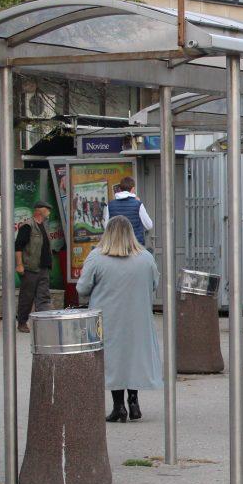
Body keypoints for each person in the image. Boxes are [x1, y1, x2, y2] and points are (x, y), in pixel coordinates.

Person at [76, 216, 163, 423]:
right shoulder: (145, 258)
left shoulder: (96, 257)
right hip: (138, 317)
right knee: (134, 357)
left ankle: (118, 406)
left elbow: (82, 288)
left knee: (113, 359)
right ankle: (133, 401)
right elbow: (154, 284)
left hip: (107, 317)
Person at [14, 200, 54, 333]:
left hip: (43, 268)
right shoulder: (28, 226)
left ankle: (44, 323)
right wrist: (19, 265)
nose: (49, 211)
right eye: (46, 208)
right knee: (27, 297)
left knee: (44, 296)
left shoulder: (44, 225)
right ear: (38, 210)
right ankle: (22, 322)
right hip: (30, 268)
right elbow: (18, 246)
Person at [103, 176, 152, 247]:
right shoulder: (138, 204)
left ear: (120, 189)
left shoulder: (110, 205)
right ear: (133, 189)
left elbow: (106, 227)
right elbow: (149, 225)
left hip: (117, 246)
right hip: (135, 246)